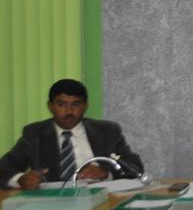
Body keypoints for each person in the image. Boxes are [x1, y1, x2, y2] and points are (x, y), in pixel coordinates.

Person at [0, 79, 144, 189]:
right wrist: (20, 180)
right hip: (52, 203)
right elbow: (3, 169)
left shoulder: (106, 131)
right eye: (61, 104)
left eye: (76, 104)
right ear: (50, 106)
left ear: (85, 106)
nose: (69, 111)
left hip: (99, 199)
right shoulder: (35, 134)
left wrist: (107, 172)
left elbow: (134, 166)